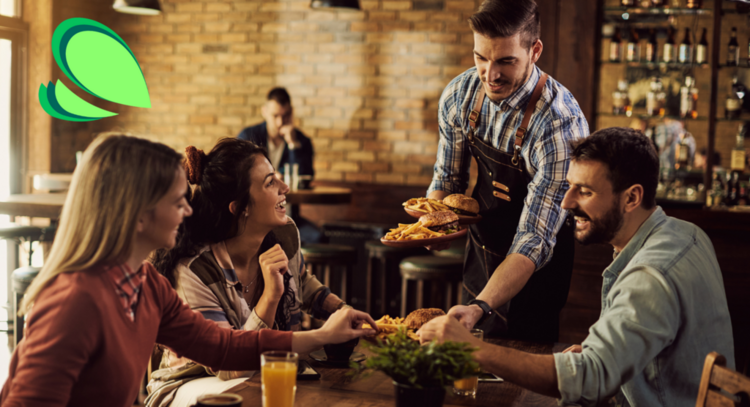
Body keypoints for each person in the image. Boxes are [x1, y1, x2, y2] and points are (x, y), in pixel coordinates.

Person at [0, 134, 377, 407]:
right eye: (177, 200)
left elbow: (223, 346)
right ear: (139, 214)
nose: (188, 211)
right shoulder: (75, 301)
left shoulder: (145, 286)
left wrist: (321, 335)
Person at [419, 127, 735, 406]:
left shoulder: (650, 275)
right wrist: (599, 352)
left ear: (632, 197)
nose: (567, 202)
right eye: (570, 186)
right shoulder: (687, 235)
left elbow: (591, 382)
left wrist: (472, 349)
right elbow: (657, 338)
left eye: (585, 191)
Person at [427, 0, 589, 341]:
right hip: (480, 259)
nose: (490, 74)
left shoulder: (560, 125)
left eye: (505, 61)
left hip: (534, 278)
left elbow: (533, 239)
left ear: (535, 50)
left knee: (520, 385)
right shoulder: (460, 95)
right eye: (480, 58)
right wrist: (434, 226)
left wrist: (481, 306)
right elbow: (447, 180)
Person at [146, 138, 345, 406]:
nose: (285, 188)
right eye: (270, 183)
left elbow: (302, 281)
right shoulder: (195, 272)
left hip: (263, 372)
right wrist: (271, 296)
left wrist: (340, 310)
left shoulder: (284, 234)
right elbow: (231, 367)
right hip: (192, 385)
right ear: (240, 207)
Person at [237, 87, 320, 243]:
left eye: (286, 115)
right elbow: (238, 176)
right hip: (253, 217)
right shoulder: (248, 136)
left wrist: (293, 144)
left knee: (317, 238)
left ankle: (298, 268)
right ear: (264, 112)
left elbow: (305, 178)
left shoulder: (302, 141)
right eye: (275, 116)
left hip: (288, 214)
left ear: (292, 113)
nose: (280, 122)